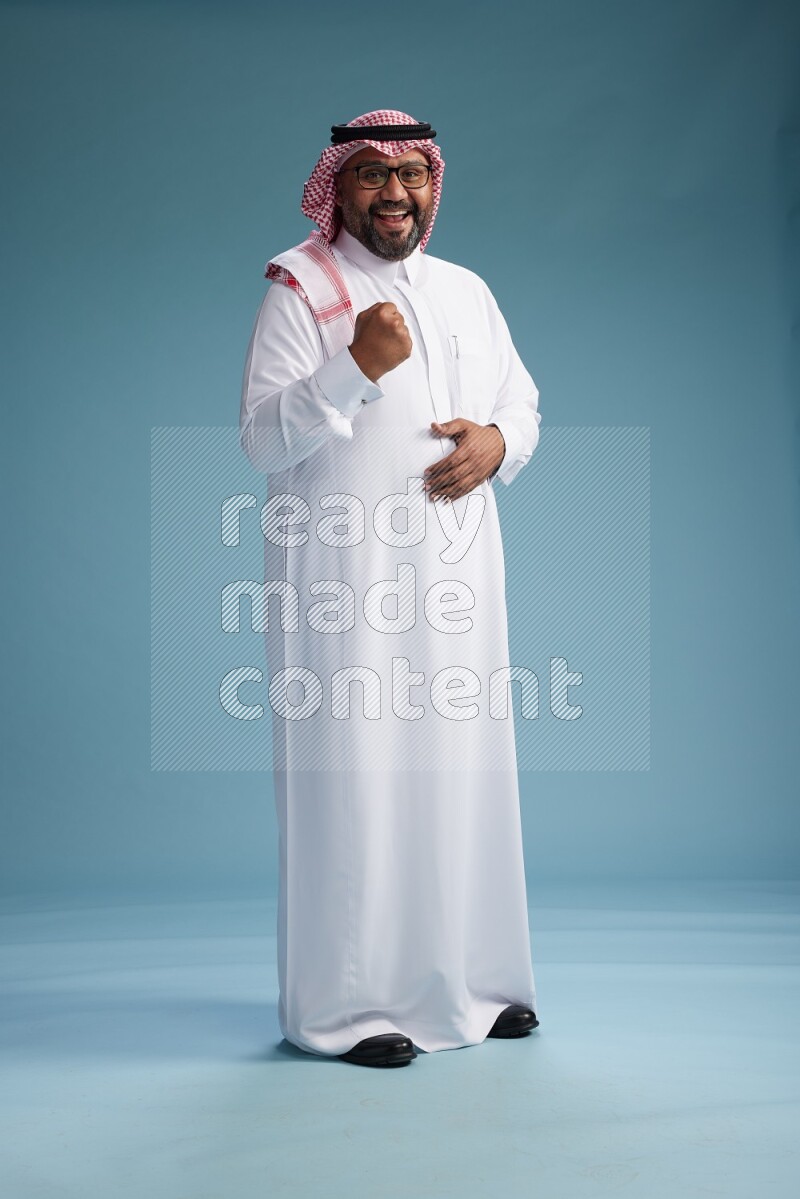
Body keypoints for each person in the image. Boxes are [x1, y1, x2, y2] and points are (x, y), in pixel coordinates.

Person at [239, 110, 543, 1068]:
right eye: (372, 173)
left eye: (412, 173)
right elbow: (263, 440)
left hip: (458, 578)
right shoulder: (302, 286)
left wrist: (500, 442)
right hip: (345, 584)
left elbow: (520, 400)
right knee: (357, 783)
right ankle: (343, 1008)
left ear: (432, 185)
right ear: (339, 186)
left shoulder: (465, 289)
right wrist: (354, 366)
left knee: (464, 774)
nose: (395, 192)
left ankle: (478, 986)